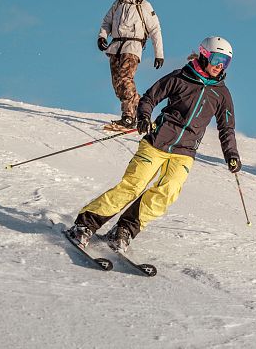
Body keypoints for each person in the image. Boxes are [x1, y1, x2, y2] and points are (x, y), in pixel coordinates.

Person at [68, 36, 241, 252]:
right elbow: (149, 98)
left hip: (185, 152)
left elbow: (227, 128)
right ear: (205, 55)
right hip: (156, 143)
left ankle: (123, 231)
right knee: (133, 186)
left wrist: (231, 155)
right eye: (217, 58)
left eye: (225, 62)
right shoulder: (181, 77)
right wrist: (143, 117)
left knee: (167, 193)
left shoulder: (221, 93)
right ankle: (84, 225)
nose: (219, 66)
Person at [97, 0, 165, 129]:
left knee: (125, 78)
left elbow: (155, 30)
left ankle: (129, 115)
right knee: (117, 85)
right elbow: (106, 21)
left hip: (133, 46)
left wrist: (159, 54)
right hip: (115, 46)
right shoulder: (119, 3)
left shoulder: (145, 6)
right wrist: (102, 36)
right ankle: (139, 107)